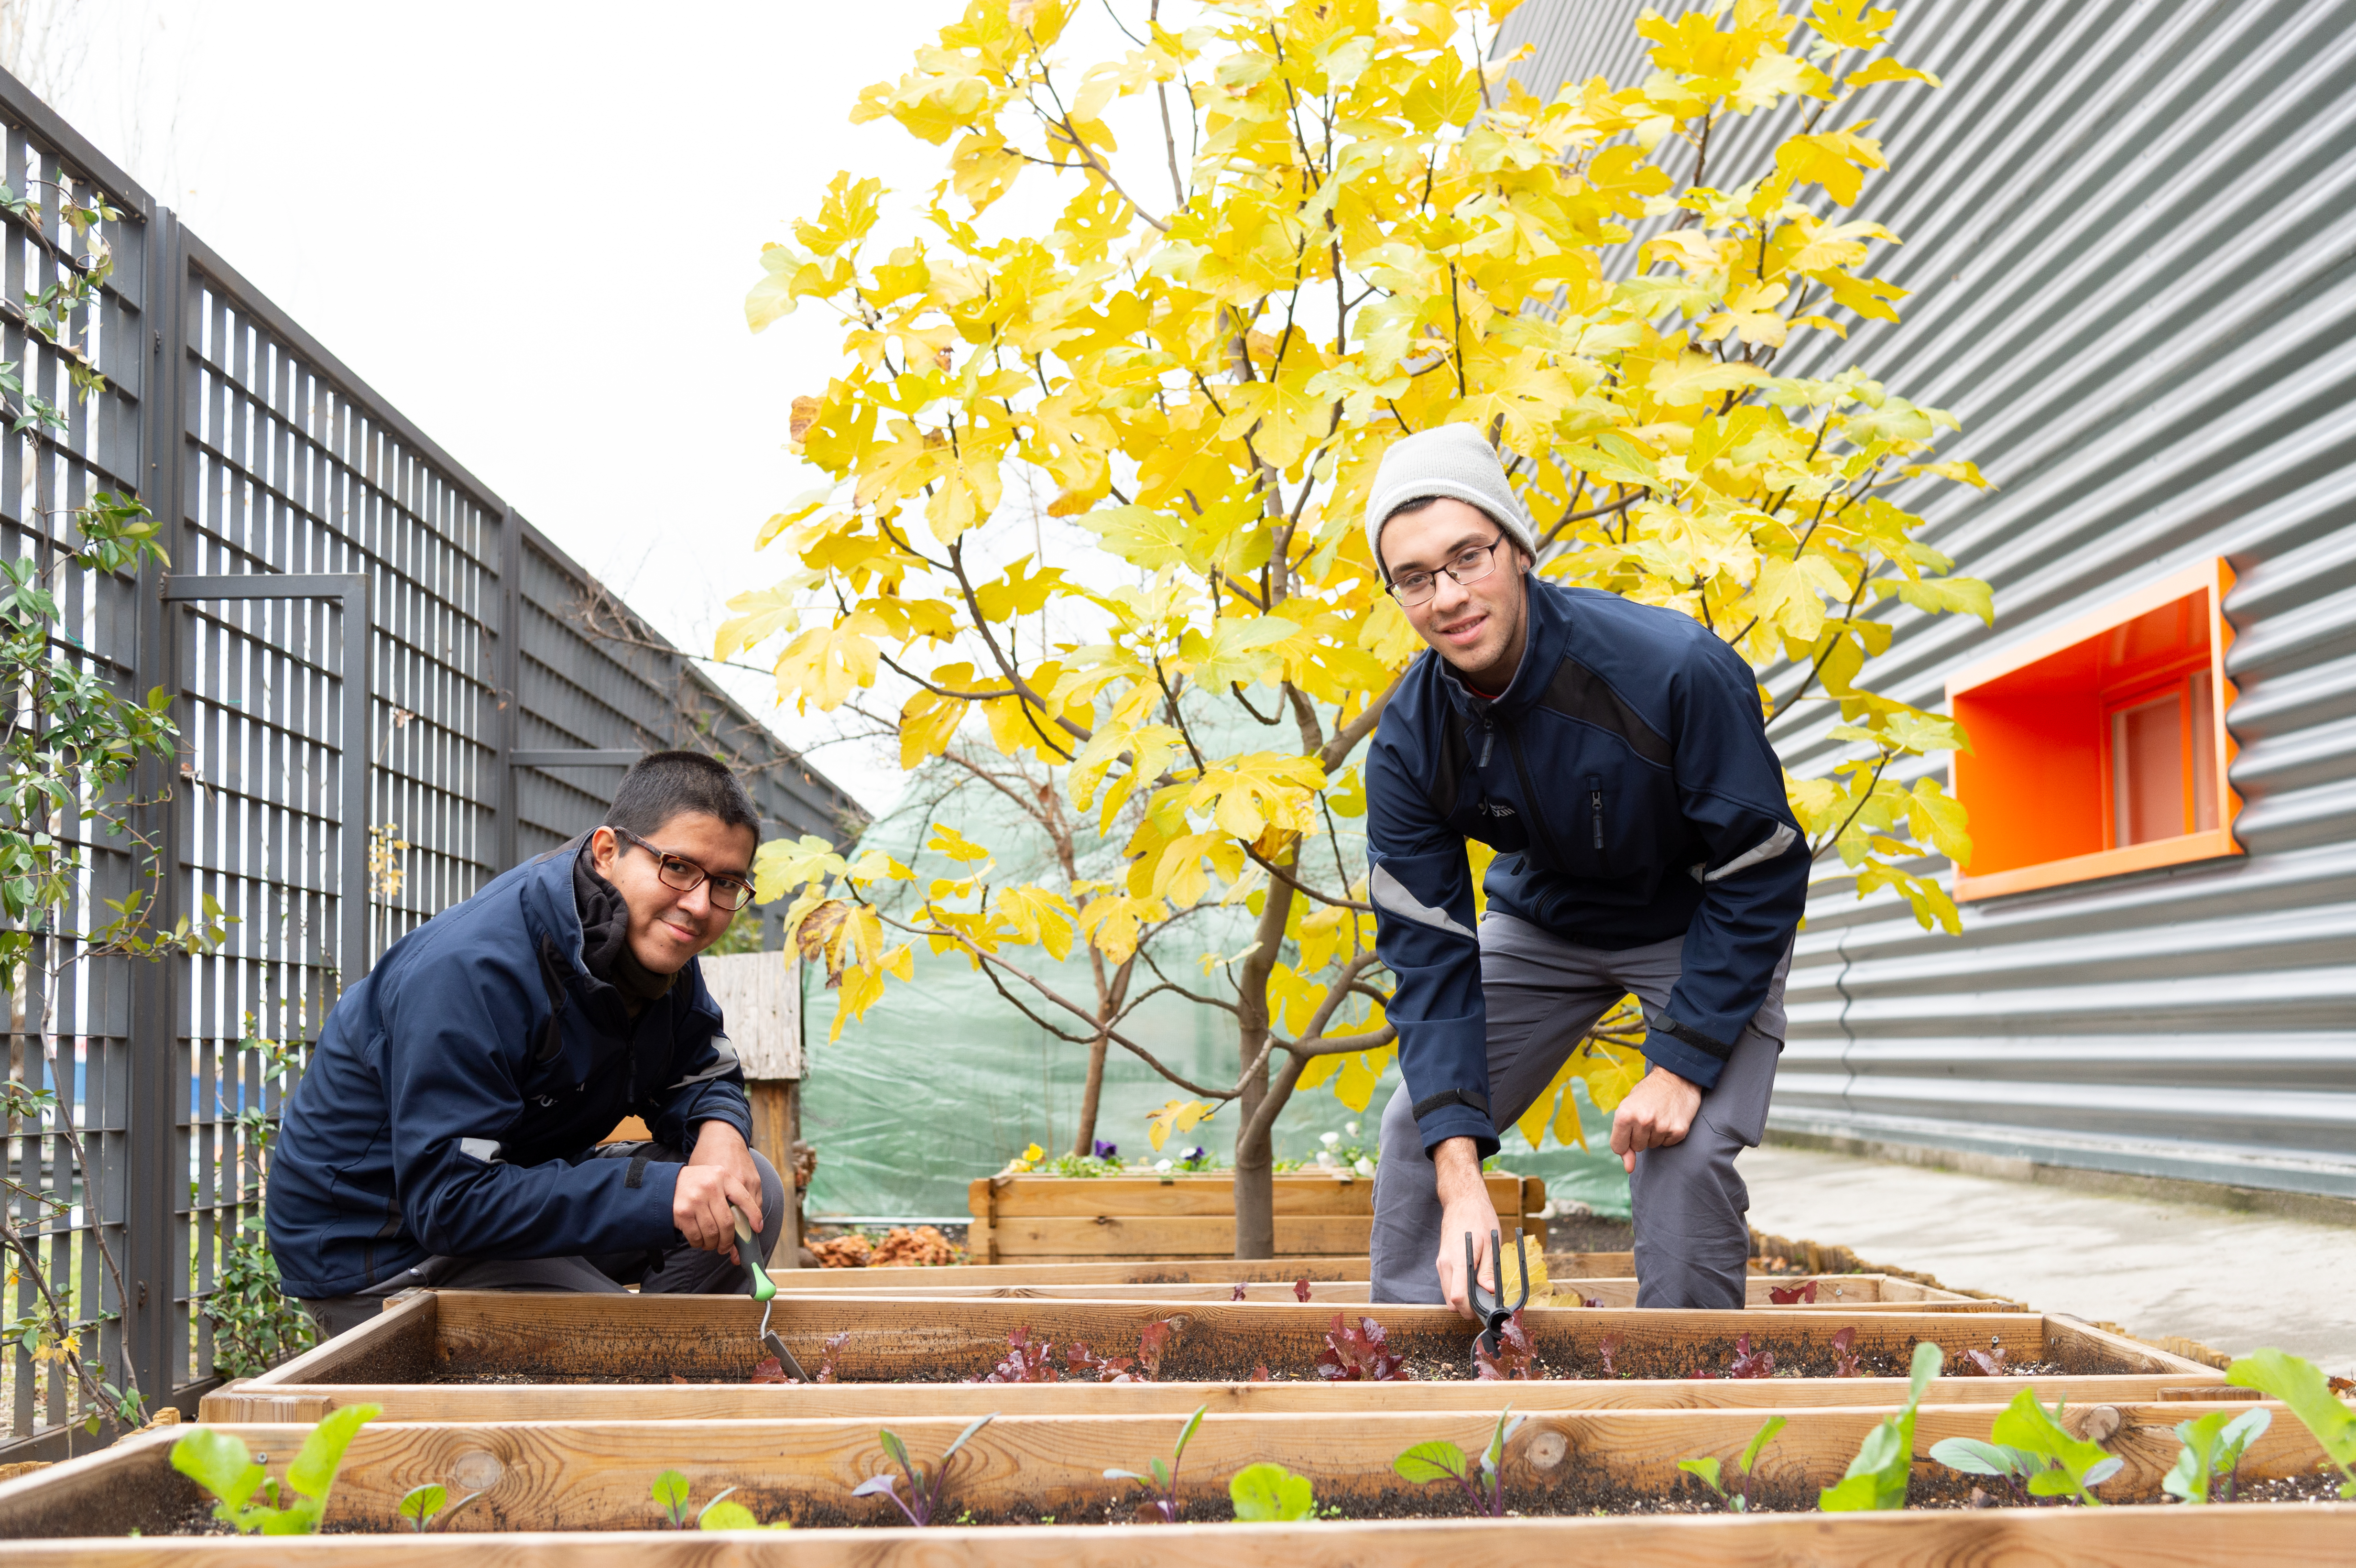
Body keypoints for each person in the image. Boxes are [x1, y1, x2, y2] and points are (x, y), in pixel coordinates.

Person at [1362, 424, 1808, 1313]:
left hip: (1703, 922)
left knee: (1679, 1154)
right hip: (1546, 922)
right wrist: (1459, 1174)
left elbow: (1759, 869)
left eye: (1467, 558)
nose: (1447, 596)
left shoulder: (1673, 669)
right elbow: (1427, 949)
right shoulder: (1411, 739)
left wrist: (1679, 1065)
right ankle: (1414, 1396)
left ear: (1518, 548)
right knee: (1419, 1128)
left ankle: (1682, 1408)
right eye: (1415, 577)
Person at [268, 750, 787, 1337]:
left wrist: (719, 1132)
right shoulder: (474, 971)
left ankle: (677, 1361)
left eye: (724, 883)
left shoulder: (653, 946)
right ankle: (653, 1375)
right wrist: (660, 1193)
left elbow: (700, 1065)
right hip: (387, 1252)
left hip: (500, 1197)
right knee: (615, 1341)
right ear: (608, 850)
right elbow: (449, 1202)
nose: (698, 904)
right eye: (678, 867)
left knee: (752, 1190)